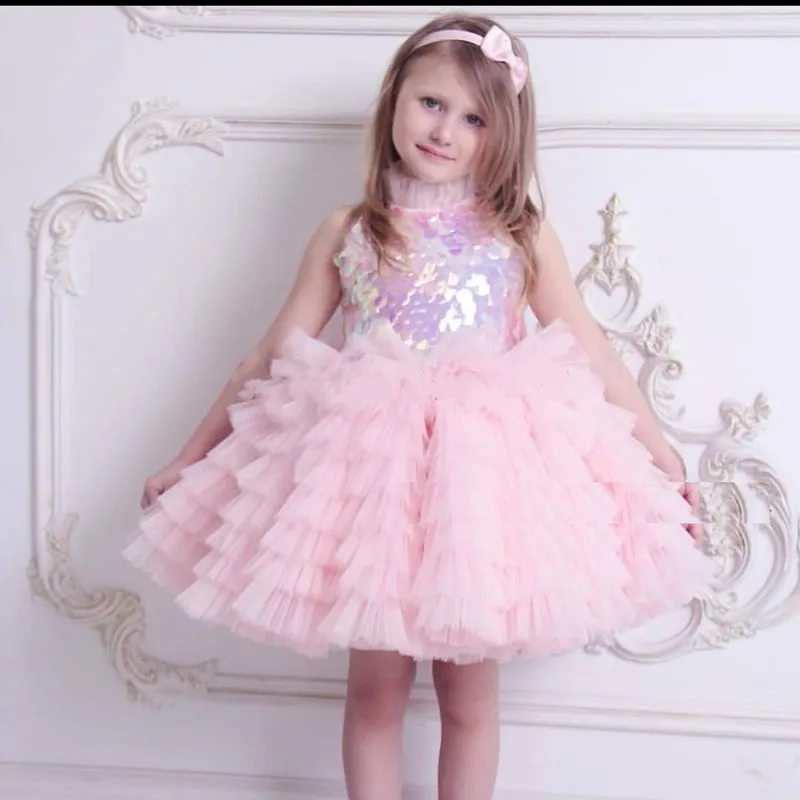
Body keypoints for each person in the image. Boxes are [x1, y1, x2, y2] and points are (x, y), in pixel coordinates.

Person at [123, 12, 716, 800]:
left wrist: (665, 462)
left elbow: (593, 352)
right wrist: (187, 459)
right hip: (374, 492)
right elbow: (268, 357)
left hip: (483, 494)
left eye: (474, 118)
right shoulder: (350, 232)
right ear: (395, 98)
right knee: (375, 694)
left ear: (502, 135)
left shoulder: (520, 234)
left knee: (469, 699)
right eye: (431, 103)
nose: (445, 130)